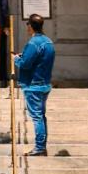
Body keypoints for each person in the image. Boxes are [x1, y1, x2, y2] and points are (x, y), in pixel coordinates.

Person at [13, 13, 56, 158]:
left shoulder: (33, 43)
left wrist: (16, 59)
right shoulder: (49, 42)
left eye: (27, 25)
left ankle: (39, 148)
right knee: (41, 116)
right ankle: (41, 146)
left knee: (37, 117)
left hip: (33, 86)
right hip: (44, 85)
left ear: (30, 26)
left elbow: (25, 64)